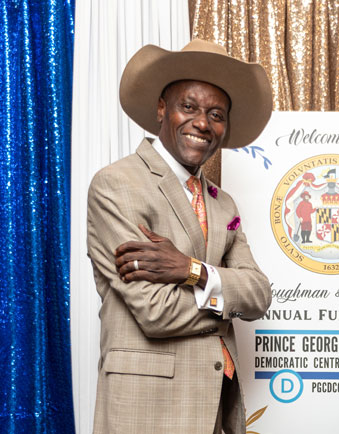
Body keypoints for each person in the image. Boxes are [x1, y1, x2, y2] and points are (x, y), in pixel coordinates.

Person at [87, 40, 273, 434]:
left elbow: (258, 295)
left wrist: (192, 270)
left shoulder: (224, 205)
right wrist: (226, 300)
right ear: (161, 108)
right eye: (189, 107)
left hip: (214, 413)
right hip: (144, 410)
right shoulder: (117, 185)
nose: (203, 123)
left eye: (216, 114)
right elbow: (155, 312)